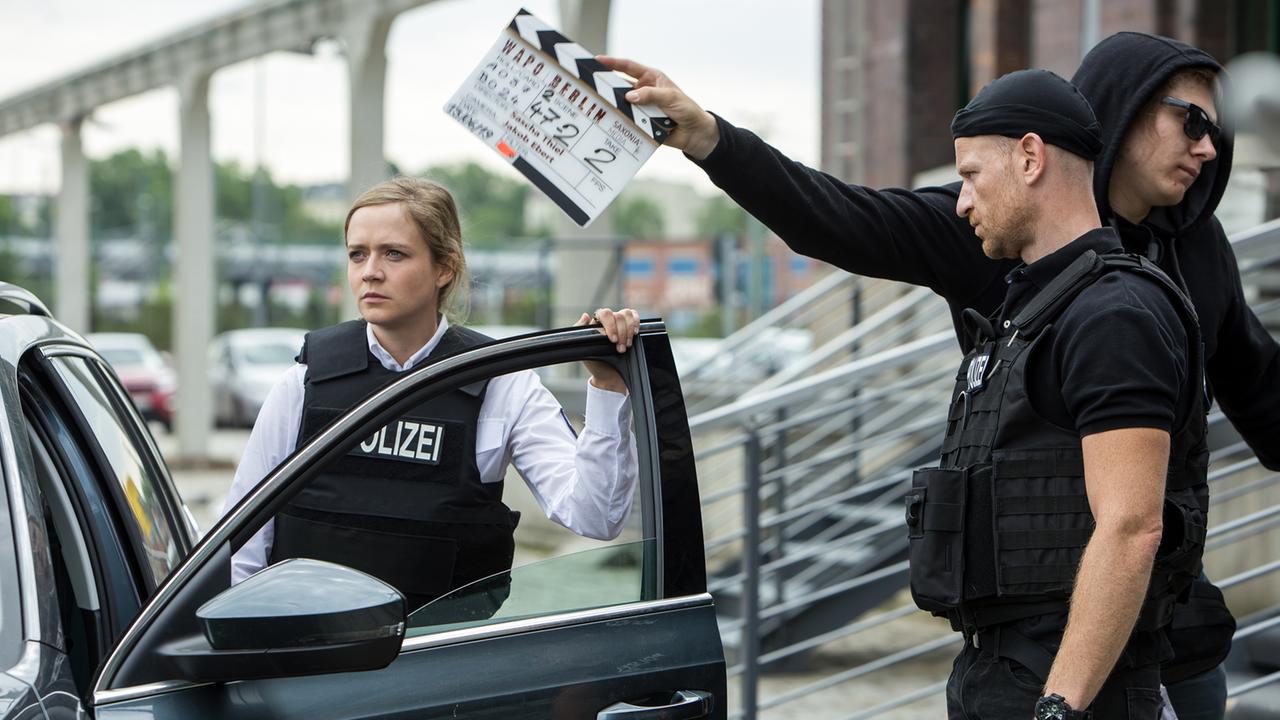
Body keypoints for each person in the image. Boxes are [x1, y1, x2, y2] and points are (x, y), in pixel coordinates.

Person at [599, 30, 1277, 718]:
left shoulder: (1194, 250)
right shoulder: (995, 223)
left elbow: (1257, 393)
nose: (1208, 146)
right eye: (1189, 120)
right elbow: (836, 217)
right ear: (1123, 107)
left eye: (1214, 130)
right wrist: (711, 138)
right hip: (1027, 642)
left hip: (1163, 645)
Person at [221, 176, 640, 611]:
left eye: (394, 254)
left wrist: (607, 387)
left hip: (437, 660)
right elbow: (242, 550)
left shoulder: (500, 383)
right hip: (309, 657)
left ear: (445, 268)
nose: (370, 272)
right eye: (357, 254)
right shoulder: (305, 381)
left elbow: (596, 516)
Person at [928, 68, 1205, 718]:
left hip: (1070, 690)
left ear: (1030, 157)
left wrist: (1061, 705)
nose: (961, 203)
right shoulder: (1031, 312)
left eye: (970, 176)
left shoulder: (1114, 315)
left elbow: (1133, 524)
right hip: (1000, 670)